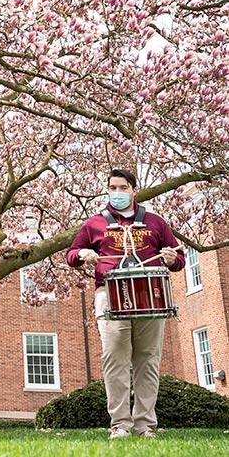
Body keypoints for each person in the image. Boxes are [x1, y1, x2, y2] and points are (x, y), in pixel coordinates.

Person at [67, 168, 185, 439]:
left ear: (134, 190)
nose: (117, 193)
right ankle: (120, 424)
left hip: (150, 297)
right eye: (112, 188)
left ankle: (145, 425)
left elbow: (178, 259)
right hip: (109, 294)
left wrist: (170, 258)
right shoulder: (95, 224)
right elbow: (71, 254)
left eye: (122, 188)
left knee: (148, 360)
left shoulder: (155, 223)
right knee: (114, 360)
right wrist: (83, 253)